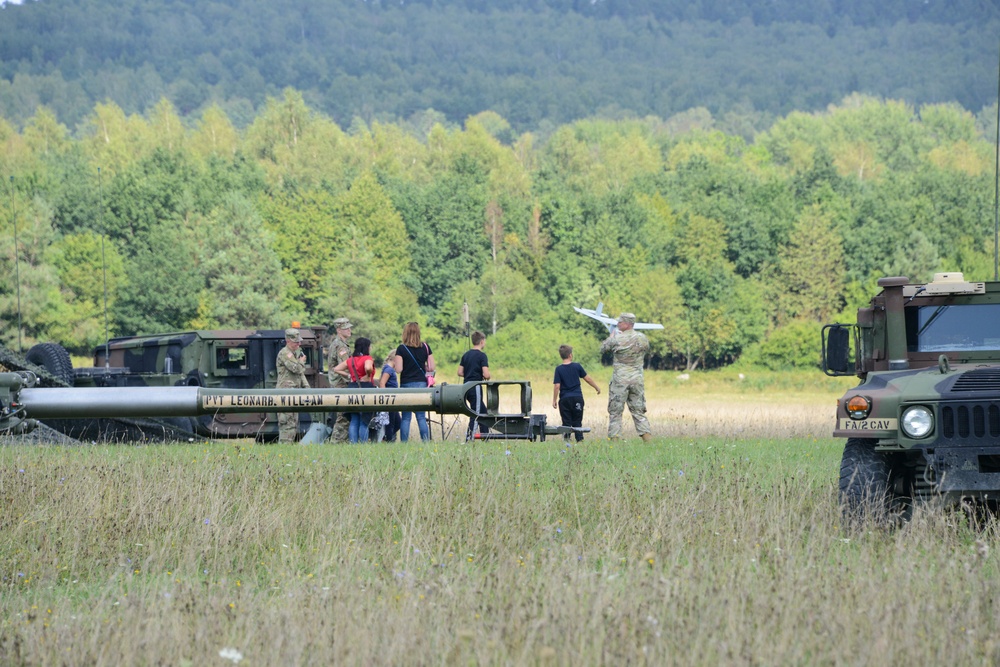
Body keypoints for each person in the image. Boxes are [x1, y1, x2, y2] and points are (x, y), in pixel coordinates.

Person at [600, 313, 653, 441]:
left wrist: (611, 336)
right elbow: (646, 349)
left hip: (620, 380)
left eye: (620, 322)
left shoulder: (617, 339)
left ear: (627, 324)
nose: (618, 324)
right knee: (638, 411)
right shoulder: (642, 338)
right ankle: (648, 441)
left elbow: (603, 348)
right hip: (637, 379)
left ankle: (615, 441)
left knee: (615, 412)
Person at [393, 321, 435, 442]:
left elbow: (399, 369)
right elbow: (431, 367)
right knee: (421, 417)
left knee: (406, 418)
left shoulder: (401, 349)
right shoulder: (425, 347)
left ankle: (404, 443)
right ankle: (425, 442)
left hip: (406, 384)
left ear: (405, 333)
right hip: (421, 384)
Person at [552, 344, 601, 443]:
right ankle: (580, 440)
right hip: (577, 398)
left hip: (565, 399)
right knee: (577, 421)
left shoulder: (558, 369)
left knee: (566, 422)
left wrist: (554, 400)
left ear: (561, 356)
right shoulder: (577, 366)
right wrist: (596, 387)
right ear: (570, 355)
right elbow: (587, 378)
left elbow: (557, 386)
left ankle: (567, 441)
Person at [332, 337, 375, 444]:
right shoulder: (367, 358)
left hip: (352, 389)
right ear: (367, 347)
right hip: (365, 389)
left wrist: (349, 375)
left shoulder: (350, 360)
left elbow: (336, 369)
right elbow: (368, 367)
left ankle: (353, 443)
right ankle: (363, 444)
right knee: (364, 420)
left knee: (354, 419)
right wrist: (368, 375)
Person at [275, 328, 309, 443]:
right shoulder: (285, 353)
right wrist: (301, 361)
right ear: (288, 341)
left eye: (299, 342)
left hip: (293, 393)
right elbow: (297, 368)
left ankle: (287, 448)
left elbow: (300, 373)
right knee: (286, 424)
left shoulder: (294, 354)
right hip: (285, 393)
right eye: (296, 342)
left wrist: (307, 388)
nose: (299, 344)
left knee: (293, 423)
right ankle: (284, 447)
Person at [457, 331, 491, 441]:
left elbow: (460, 372)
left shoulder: (466, 355)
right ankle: (469, 438)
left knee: (483, 412)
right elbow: (486, 374)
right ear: (481, 342)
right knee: (475, 414)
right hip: (475, 386)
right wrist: (483, 375)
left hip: (466, 387)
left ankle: (485, 437)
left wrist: (469, 373)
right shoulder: (482, 356)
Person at [326, 318, 353, 442]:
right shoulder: (340, 346)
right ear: (338, 330)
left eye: (349, 327)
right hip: (341, 385)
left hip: (339, 384)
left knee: (343, 416)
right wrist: (353, 379)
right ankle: (336, 442)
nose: (349, 330)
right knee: (343, 417)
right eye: (345, 328)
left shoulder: (339, 344)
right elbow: (346, 366)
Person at [376, 351, 401, 442]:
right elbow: (382, 383)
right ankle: (388, 440)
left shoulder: (389, 369)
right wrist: (385, 398)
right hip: (390, 399)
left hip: (392, 399)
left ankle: (386, 438)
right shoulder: (389, 369)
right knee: (391, 424)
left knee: (398, 422)